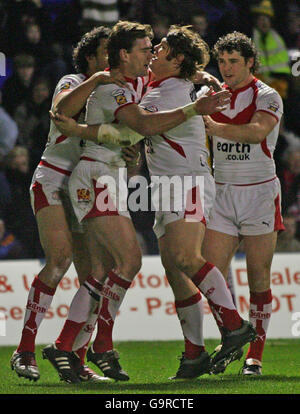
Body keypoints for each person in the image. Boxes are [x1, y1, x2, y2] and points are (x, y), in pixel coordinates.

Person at [46, 21, 252, 383]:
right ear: (125, 55)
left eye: (158, 49)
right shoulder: (130, 88)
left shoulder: (160, 90)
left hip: (179, 181)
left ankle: (228, 329)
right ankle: (93, 347)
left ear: (175, 62)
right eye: (147, 48)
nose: (152, 52)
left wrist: (198, 81)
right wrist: (85, 126)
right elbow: (136, 126)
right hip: (115, 179)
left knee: (165, 262)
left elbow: (140, 125)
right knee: (146, 265)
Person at [10, 25, 130, 384]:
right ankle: (25, 349)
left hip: (87, 186)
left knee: (94, 275)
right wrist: (95, 80)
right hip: (55, 179)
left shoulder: (115, 94)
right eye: (107, 52)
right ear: (90, 57)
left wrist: (125, 145)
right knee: (60, 258)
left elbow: (116, 138)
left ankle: (74, 359)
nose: (113, 58)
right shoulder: (73, 79)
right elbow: (61, 111)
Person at [202, 31, 284, 376]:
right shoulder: (211, 95)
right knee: (208, 273)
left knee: (258, 278)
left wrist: (211, 126)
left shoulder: (267, 96)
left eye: (233, 61)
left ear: (250, 62)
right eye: (221, 61)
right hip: (222, 192)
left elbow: (256, 132)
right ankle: (232, 335)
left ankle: (255, 356)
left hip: (259, 193)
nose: (226, 68)